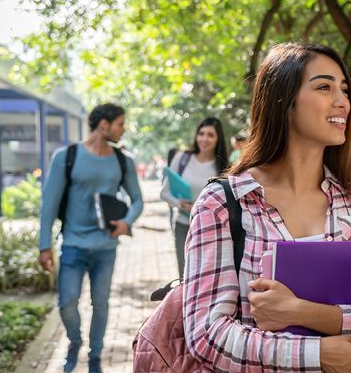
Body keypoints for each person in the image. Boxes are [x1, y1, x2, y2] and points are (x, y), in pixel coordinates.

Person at [182, 42, 351, 372]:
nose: (343, 101)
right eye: (324, 87)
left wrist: (300, 311)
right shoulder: (223, 204)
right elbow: (207, 335)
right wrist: (319, 354)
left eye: (345, 90)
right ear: (284, 101)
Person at [38, 103, 144, 373]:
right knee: (66, 303)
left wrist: (126, 222)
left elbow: (137, 200)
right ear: (104, 124)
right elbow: (49, 205)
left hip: (106, 247)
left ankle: (95, 354)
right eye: (120, 124)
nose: (123, 129)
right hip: (73, 244)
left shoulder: (123, 160)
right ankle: (75, 341)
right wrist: (44, 246)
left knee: (101, 304)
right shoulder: (67, 156)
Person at [160, 116, 229, 278]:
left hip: (211, 230)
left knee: (207, 279)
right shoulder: (182, 159)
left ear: (218, 139)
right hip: (184, 226)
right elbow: (164, 192)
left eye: (210, 135)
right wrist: (179, 203)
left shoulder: (224, 167)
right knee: (185, 278)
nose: (204, 139)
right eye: (201, 133)